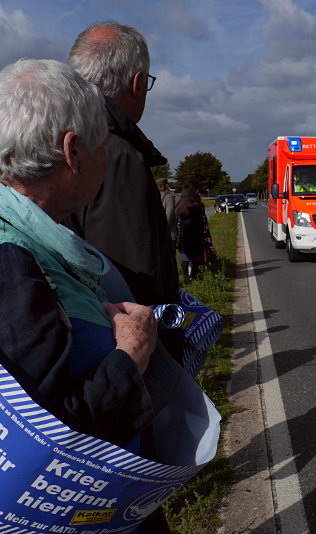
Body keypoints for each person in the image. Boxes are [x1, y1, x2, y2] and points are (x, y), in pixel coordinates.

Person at [0, 59, 158, 454]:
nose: (106, 158)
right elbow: (49, 431)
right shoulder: (12, 261)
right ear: (73, 151)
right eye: (102, 145)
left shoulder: (27, 232)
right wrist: (131, 355)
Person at [63, 21, 181, 362]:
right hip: (123, 360)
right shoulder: (115, 155)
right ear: (138, 83)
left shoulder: (57, 139)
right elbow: (132, 287)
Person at [176, 181, 208, 281]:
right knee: (195, 258)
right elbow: (201, 221)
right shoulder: (197, 205)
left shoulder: (180, 204)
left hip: (183, 234)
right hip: (195, 234)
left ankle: (185, 277)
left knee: (184, 257)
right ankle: (193, 276)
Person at [158, 178, 177, 250]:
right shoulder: (169, 196)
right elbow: (169, 214)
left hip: (159, 232)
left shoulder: (154, 195)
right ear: (165, 185)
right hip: (168, 233)